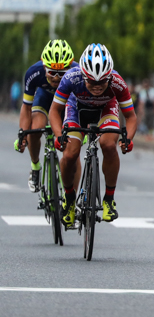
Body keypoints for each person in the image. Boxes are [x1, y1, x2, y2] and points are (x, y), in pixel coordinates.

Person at [50, 44, 137, 226]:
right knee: (70, 153)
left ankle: (109, 200)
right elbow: (54, 111)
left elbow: (130, 116)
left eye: (102, 82)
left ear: (109, 77)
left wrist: (127, 139)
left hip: (106, 109)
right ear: (83, 76)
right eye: (91, 82)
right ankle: (69, 199)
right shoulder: (70, 78)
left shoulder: (117, 82)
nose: (97, 87)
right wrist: (59, 135)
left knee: (108, 145)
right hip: (77, 109)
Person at [15, 40, 78, 193]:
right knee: (35, 129)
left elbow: (84, 104)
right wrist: (23, 133)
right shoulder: (33, 72)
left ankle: (72, 202)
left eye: (61, 73)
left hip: (66, 103)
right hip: (44, 99)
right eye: (51, 72)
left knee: (72, 152)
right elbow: (26, 107)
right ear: (44, 66)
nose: (56, 78)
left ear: (69, 67)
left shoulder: (78, 72)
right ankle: (35, 166)